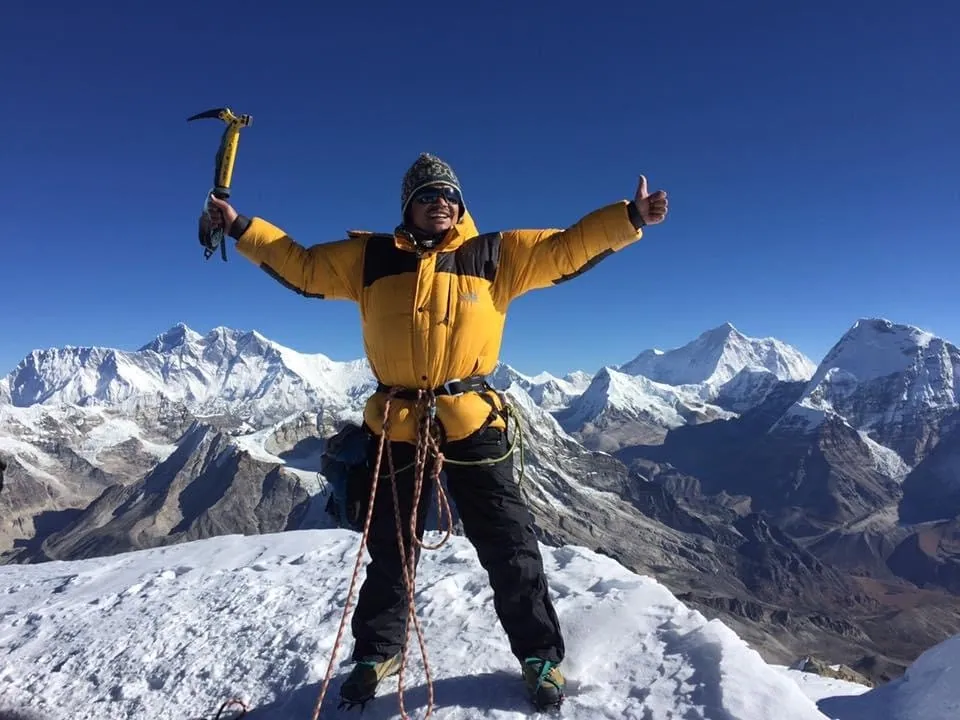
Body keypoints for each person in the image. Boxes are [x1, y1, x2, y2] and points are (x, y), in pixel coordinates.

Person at [205, 153, 668, 710]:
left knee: (508, 541)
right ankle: (379, 650)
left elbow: (565, 249)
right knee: (391, 545)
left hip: (470, 416)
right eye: (428, 195)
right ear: (408, 206)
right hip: (398, 421)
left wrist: (629, 218)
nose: (441, 203)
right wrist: (238, 226)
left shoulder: (496, 254)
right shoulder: (370, 257)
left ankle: (538, 655)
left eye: (449, 195)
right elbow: (301, 266)